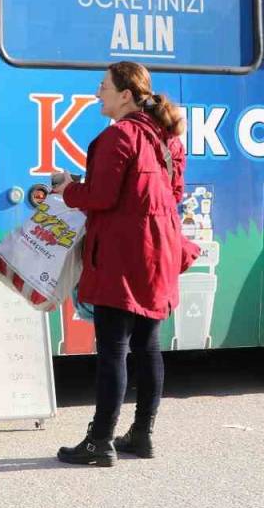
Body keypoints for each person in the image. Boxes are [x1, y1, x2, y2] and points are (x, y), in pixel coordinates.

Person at [51, 61, 194, 467]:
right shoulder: (168, 138)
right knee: (148, 344)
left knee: (113, 346)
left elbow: (100, 197)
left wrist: (67, 188)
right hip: (159, 251)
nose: (98, 94)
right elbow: (175, 190)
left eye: (103, 87)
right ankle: (142, 435)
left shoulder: (120, 136)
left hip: (123, 252)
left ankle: (100, 440)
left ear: (125, 95)